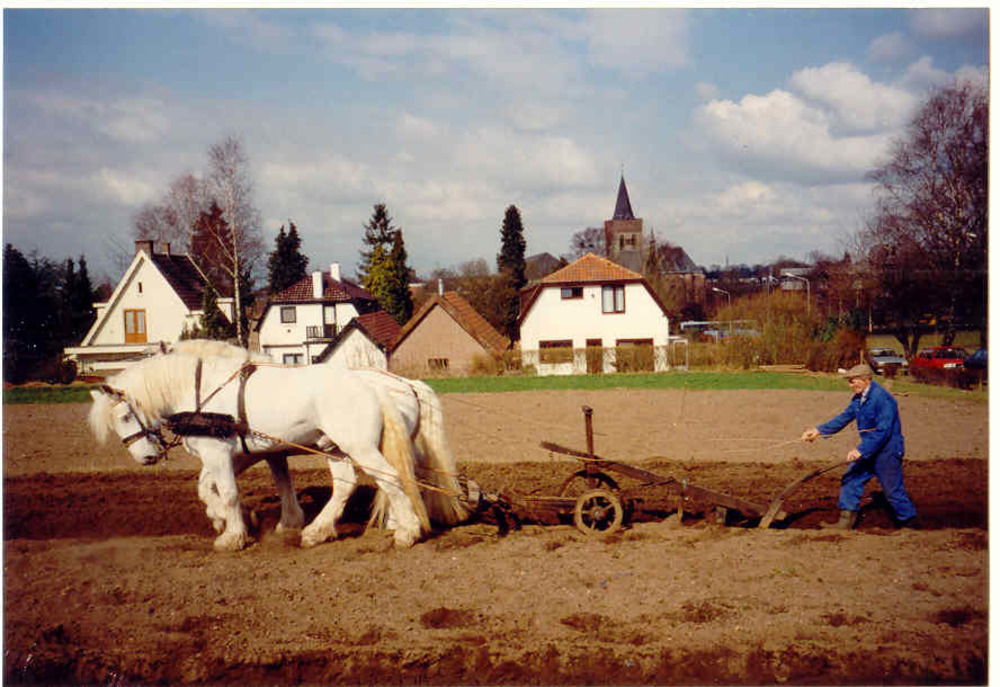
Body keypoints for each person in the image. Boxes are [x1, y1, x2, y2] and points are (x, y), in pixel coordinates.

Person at [801, 363, 917, 530]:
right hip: (869, 449)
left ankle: (910, 524)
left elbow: (884, 431)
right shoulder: (859, 398)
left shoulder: (882, 399)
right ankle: (845, 523)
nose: (850, 385)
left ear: (865, 379)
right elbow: (844, 417)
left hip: (887, 451)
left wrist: (861, 450)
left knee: (892, 491)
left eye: (852, 381)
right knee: (851, 478)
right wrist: (818, 431)